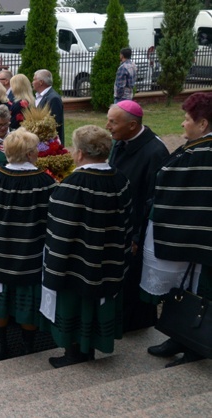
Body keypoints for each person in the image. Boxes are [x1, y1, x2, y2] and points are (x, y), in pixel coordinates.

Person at [41, 125, 132, 368]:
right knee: (96, 308)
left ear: (80, 153)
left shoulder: (71, 186)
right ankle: (89, 349)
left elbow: (59, 233)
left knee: (76, 310)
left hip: (75, 268)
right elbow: (126, 221)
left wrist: (53, 270)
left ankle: (73, 354)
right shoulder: (120, 179)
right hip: (108, 263)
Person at [0, 128, 56, 359]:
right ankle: (28, 346)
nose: (38, 152)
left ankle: (1, 345)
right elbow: (51, 223)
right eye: (35, 149)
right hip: (29, 258)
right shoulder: (45, 183)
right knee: (28, 305)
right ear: (28, 154)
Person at [141, 92, 212, 367]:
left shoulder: (201, 154)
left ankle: (196, 346)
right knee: (186, 287)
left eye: (186, 119)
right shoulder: (195, 149)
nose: (183, 124)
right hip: (194, 239)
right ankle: (179, 337)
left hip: (201, 241)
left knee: (203, 292)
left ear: (203, 123)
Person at [106, 100, 169, 332]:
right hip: (120, 224)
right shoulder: (120, 141)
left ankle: (136, 323)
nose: (108, 126)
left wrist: (135, 235)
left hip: (137, 230)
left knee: (134, 279)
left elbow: (153, 198)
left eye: (113, 122)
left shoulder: (155, 151)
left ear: (132, 125)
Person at [33, 69, 65, 143]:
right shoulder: (40, 96)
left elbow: (55, 123)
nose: (32, 83)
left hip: (50, 144)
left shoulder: (53, 98)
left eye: (34, 80)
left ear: (41, 82)